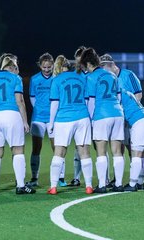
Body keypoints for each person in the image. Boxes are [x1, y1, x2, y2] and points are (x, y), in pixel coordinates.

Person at [0, 55, 36, 195]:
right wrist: (25, 121)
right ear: (12, 67)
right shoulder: (15, 78)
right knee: (17, 150)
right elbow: (20, 101)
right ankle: (20, 186)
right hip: (12, 114)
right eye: (15, 66)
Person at [79, 48, 125, 193]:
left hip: (101, 115)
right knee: (117, 151)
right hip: (117, 113)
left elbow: (91, 102)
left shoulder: (90, 78)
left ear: (87, 63)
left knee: (101, 151)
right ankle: (118, 184)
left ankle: (102, 185)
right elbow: (118, 97)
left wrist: (91, 121)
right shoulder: (112, 75)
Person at [47, 55, 93, 195]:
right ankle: (89, 186)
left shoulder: (56, 80)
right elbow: (87, 101)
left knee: (59, 152)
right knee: (84, 152)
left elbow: (54, 103)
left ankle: (53, 187)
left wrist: (51, 122)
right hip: (82, 117)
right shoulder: (81, 77)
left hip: (64, 119)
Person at [100, 53, 143, 188]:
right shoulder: (108, 78)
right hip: (118, 117)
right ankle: (117, 178)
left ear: (112, 65)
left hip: (130, 117)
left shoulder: (128, 74)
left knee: (133, 147)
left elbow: (138, 93)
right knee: (119, 148)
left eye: (104, 68)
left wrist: (129, 112)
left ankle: (135, 179)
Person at [27, 53, 67, 187]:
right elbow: (32, 97)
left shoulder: (57, 79)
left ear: (52, 66)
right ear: (40, 66)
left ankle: (60, 178)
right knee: (36, 148)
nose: (46, 69)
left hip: (53, 119)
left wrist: (51, 114)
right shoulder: (34, 79)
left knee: (57, 147)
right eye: (44, 67)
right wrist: (40, 109)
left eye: (49, 67)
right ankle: (34, 178)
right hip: (38, 118)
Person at [120, 89, 144, 191]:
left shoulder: (116, 93)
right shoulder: (127, 92)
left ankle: (132, 184)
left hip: (139, 121)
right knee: (143, 154)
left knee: (136, 154)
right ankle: (140, 183)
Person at [67, 46, 87, 187]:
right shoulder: (74, 75)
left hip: (95, 115)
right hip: (79, 115)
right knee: (78, 147)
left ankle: (104, 179)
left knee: (100, 147)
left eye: (81, 60)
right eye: (77, 60)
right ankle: (76, 177)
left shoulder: (92, 74)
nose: (78, 63)